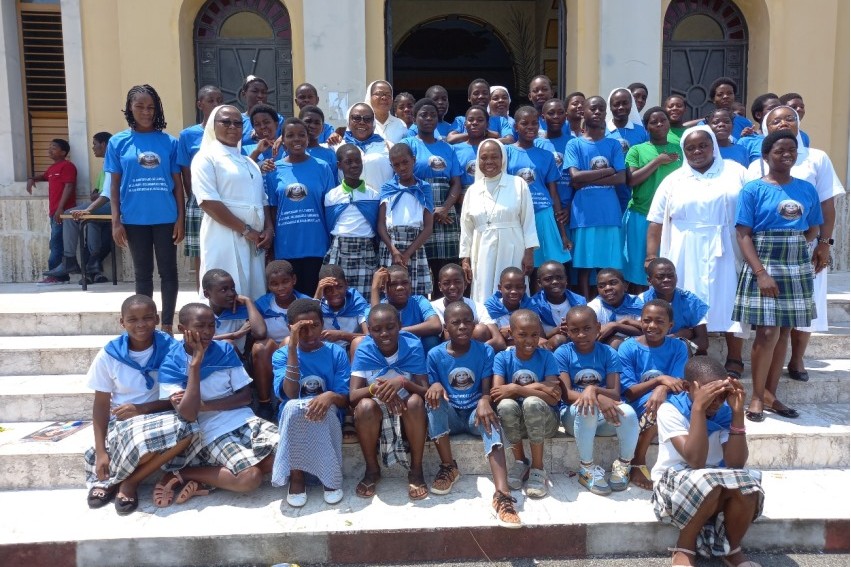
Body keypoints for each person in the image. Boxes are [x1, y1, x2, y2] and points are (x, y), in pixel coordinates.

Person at [749, 105, 844, 386]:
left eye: (789, 118)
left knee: (806, 306)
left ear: (799, 122)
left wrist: (823, 244)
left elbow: (827, 206)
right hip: (770, 251)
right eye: (775, 120)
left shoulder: (817, 157)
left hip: (808, 246)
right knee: (774, 315)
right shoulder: (758, 163)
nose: (783, 123)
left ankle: (797, 357)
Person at [646, 125, 749, 379]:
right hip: (684, 248)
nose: (697, 151)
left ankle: (734, 357)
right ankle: (695, 356)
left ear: (713, 145)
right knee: (689, 302)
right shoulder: (673, 179)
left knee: (729, 299)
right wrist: (651, 257)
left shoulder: (736, 172)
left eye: (703, 145)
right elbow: (656, 221)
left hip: (726, 245)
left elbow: (750, 211)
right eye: (690, 147)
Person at [734, 131, 822, 422]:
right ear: (766, 155)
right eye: (780, 150)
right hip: (764, 259)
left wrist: (796, 245)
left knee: (784, 330)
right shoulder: (753, 190)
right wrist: (760, 272)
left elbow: (814, 227)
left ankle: (771, 395)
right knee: (767, 330)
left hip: (794, 262)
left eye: (792, 150)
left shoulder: (806, 189)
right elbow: (743, 233)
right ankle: (757, 397)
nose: (786, 155)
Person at [84, 295, 197, 515]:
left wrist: (143, 409)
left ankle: (129, 482)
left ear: (156, 319)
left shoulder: (171, 349)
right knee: (139, 441)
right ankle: (115, 477)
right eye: (132, 319)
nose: (141, 324)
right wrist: (100, 452)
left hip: (161, 413)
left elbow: (179, 397)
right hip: (123, 419)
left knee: (189, 430)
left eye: (147, 318)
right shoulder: (109, 355)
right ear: (122, 322)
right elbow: (100, 405)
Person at [157, 303, 279, 505]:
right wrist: (195, 364)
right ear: (182, 329)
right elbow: (188, 414)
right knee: (250, 479)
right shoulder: (172, 363)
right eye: (200, 326)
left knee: (290, 454)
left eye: (212, 325)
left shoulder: (224, 350)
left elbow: (245, 396)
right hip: (211, 430)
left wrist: (205, 405)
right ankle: (185, 473)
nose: (207, 332)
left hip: (242, 418)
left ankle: (207, 479)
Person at [651, 356, 763, 567]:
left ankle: (732, 549)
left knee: (749, 484)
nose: (717, 402)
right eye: (709, 394)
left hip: (712, 483)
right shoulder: (670, 410)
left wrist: (737, 414)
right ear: (687, 387)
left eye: (721, 395)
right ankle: (684, 547)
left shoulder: (724, 412)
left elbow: (736, 463)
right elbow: (695, 460)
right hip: (673, 484)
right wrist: (698, 410)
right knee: (709, 482)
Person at [425, 301, 521, 527]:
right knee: (433, 401)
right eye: (455, 322)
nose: (462, 326)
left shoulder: (485, 350)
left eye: (467, 321)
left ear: (474, 324)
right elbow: (432, 385)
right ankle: (449, 466)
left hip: (473, 414)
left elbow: (486, 390)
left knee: (491, 420)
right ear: (445, 327)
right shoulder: (434, 354)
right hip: (450, 414)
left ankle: (502, 494)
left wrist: (485, 400)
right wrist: (436, 385)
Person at [105, 84, 184, 334]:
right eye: (139, 106)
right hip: (134, 219)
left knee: (169, 272)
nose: (146, 112)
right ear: (130, 108)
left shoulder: (169, 142)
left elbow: (178, 186)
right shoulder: (118, 142)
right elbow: (114, 186)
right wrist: (116, 220)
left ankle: (168, 324)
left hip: (165, 217)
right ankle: (145, 324)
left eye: (151, 107)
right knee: (143, 273)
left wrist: (180, 219)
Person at [271, 298, 350, 507]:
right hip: (293, 414)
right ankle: (297, 476)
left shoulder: (336, 353)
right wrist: (292, 349)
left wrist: (330, 396)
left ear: (323, 325)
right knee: (293, 407)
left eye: (315, 326)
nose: (310, 333)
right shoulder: (281, 355)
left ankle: (329, 476)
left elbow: (344, 399)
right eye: (302, 329)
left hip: (329, 413)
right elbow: (289, 394)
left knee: (322, 409)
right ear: (292, 329)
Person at [555, 305, 639, 495]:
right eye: (574, 330)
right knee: (588, 408)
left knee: (629, 413)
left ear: (598, 327)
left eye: (587, 329)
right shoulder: (562, 353)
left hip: (603, 416)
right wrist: (598, 398)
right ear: (567, 331)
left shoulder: (609, 353)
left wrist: (593, 390)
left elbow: (616, 393)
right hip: (573, 415)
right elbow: (567, 395)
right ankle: (586, 468)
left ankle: (624, 464)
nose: (581, 335)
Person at [192, 104, 273, 300]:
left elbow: (262, 199)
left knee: (253, 290)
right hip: (223, 235)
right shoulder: (206, 158)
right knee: (224, 288)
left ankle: (249, 330)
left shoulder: (249, 162)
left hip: (255, 240)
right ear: (213, 125)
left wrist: (269, 229)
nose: (232, 126)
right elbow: (208, 202)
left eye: (238, 123)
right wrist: (246, 230)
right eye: (226, 122)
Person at [350, 304, 430, 500]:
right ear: (369, 330)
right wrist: (375, 390)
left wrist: (402, 382)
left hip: (406, 410)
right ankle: (372, 469)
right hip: (377, 410)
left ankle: (416, 470)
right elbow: (352, 397)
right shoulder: (365, 349)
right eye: (376, 329)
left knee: (416, 403)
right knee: (364, 406)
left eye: (390, 327)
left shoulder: (412, 345)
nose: (384, 333)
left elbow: (424, 391)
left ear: (400, 325)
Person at [618, 299, 689, 490]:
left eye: (659, 321)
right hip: (638, 402)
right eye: (647, 320)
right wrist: (659, 381)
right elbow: (629, 392)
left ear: (670, 325)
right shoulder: (628, 347)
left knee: (672, 405)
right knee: (660, 407)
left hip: (670, 398)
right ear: (640, 321)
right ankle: (637, 460)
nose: (652, 326)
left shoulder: (678, 347)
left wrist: (663, 388)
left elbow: (678, 383)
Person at [459, 139, 538, 304]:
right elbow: (466, 229)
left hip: (513, 247)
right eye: (484, 157)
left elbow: (528, 221)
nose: (489, 161)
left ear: (502, 159)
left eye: (494, 157)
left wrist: (529, 254)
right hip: (481, 250)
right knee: (483, 290)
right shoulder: (472, 191)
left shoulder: (518, 184)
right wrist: (465, 259)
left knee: (513, 289)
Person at [492, 309, 561, 498]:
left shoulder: (547, 357)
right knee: (505, 405)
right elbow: (498, 394)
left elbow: (554, 396)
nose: (529, 340)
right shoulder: (503, 358)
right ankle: (521, 462)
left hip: (545, 422)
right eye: (522, 335)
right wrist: (540, 386)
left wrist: (516, 389)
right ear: (510, 333)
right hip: (518, 424)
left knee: (531, 402)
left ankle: (538, 468)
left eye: (535, 335)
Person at [564, 96, 627, 299]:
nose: (598, 112)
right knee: (584, 265)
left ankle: (607, 305)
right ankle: (585, 305)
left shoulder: (614, 144)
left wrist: (587, 179)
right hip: (583, 213)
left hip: (609, 212)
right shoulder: (574, 144)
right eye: (593, 108)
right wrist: (607, 171)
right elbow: (575, 176)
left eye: (601, 109)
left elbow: (621, 177)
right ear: (584, 112)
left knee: (607, 265)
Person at [266, 118, 336, 296]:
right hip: (286, 246)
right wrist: (272, 246)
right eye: (290, 135)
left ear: (307, 138)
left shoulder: (323, 167)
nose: (296, 139)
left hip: (317, 246)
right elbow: (272, 209)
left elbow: (329, 207)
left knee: (315, 299)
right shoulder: (274, 170)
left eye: (301, 135)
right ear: (282, 140)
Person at [402, 98, 464, 297]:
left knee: (447, 270)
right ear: (414, 118)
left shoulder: (447, 148)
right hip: (418, 211)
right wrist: (428, 209)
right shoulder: (407, 145)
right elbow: (404, 179)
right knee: (421, 266)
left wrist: (445, 208)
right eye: (423, 115)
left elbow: (456, 182)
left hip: (446, 214)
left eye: (433, 115)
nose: (428, 118)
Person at [622, 107, 682, 289]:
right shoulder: (637, 150)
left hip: (672, 218)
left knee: (667, 269)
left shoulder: (680, 149)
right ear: (646, 127)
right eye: (653, 122)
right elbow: (631, 180)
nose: (659, 124)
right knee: (639, 267)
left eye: (663, 120)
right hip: (641, 215)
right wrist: (657, 161)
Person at [507, 106, 571, 273]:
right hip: (517, 215)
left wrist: (562, 232)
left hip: (543, 214)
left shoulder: (546, 155)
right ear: (515, 127)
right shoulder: (506, 153)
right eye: (524, 123)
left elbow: (553, 193)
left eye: (534, 123)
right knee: (522, 264)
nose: (530, 127)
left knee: (545, 267)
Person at [45, 132, 114, 285]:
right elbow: (100, 190)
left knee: (70, 214)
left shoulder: (114, 161)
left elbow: (108, 193)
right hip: (104, 203)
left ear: (104, 145)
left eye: (95, 144)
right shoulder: (106, 164)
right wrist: (96, 194)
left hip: (113, 204)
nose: (93, 148)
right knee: (90, 222)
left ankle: (69, 259)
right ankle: (93, 264)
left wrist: (91, 205)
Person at [176, 85, 223, 288]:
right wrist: (195, 200)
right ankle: (202, 298)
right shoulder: (188, 135)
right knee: (201, 254)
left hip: (224, 198)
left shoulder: (229, 131)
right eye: (211, 100)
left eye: (219, 100)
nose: (216, 105)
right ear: (199, 104)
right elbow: (186, 173)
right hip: (199, 200)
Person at [251, 260, 310, 416]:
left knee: (289, 341)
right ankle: (265, 403)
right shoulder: (263, 304)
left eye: (285, 282)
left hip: (299, 350)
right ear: (268, 285)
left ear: (294, 280)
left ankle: (288, 398)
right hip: (271, 353)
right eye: (274, 284)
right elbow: (258, 333)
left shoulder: (304, 302)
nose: (281, 288)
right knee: (260, 346)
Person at [377, 143, 434, 296]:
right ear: (391, 166)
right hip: (391, 245)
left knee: (414, 291)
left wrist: (408, 253)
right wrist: (393, 250)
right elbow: (381, 224)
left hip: (415, 245)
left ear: (413, 160)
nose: (402, 167)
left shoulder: (424, 188)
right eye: (396, 165)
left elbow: (428, 227)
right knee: (390, 290)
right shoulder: (387, 188)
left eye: (405, 162)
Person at [323, 144, 380, 297]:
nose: (354, 165)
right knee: (338, 295)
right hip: (339, 248)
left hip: (365, 248)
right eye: (349, 162)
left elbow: (376, 225)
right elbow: (329, 225)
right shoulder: (332, 196)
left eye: (358, 161)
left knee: (366, 295)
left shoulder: (373, 195)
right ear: (339, 165)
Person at [28, 138, 77, 285]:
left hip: (62, 212)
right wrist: (31, 178)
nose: (50, 150)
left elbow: (69, 186)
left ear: (63, 152)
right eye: (49, 147)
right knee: (57, 243)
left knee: (56, 243)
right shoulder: (52, 168)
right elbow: (43, 176)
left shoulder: (67, 166)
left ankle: (56, 276)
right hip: (54, 212)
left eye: (54, 147)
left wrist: (61, 209)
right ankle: (61, 276)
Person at [430, 263, 505, 352]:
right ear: (439, 286)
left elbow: (499, 342)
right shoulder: (432, 308)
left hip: (474, 356)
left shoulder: (477, 307)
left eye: (457, 282)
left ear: (465, 284)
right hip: (446, 355)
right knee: (443, 335)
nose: (452, 287)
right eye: (446, 283)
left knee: (481, 329)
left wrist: (470, 352)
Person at [641, 257, 710, 354]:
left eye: (670, 276)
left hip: (679, 351)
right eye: (660, 277)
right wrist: (682, 334)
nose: (666, 280)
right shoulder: (641, 301)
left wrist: (675, 341)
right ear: (649, 280)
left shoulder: (691, 301)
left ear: (676, 277)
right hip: (651, 350)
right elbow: (640, 335)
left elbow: (703, 342)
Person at [371, 265, 442, 353]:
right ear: (384, 288)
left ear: (410, 285)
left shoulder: (419, 301)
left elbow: (435, 325)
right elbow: (375, 327)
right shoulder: (381, 306)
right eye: (393, 284)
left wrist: (396, 331)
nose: (400, 287)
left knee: (431, 340)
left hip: (415, 351)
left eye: (404, 283)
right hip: (388, 352)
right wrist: (374, 288)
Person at [201, 268, 267, 359]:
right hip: (208, 361)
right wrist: (234, 335)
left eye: (233, 288)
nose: (231, 293)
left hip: (238, 360)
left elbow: (261, 333)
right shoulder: (199, 311)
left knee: (265, 345)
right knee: (228, 344)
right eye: (224, 290)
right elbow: (197, 340)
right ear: (207, 294)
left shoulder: (240, 310)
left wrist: (248, 302)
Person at [336, 102, 395, 204]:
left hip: (384, 207)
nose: (362, 122)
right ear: (348, 121)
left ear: (373, 122)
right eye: (356, 118)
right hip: (350, 210)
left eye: (367, 119)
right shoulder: (337, 146)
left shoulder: (388, 146)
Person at [528, 260, 586, 350]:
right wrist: (557, 330)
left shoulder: (579, 302)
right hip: (548, 347)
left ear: (566, 280)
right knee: (558, 339)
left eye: (559, 277)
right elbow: (539, 338)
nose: (555, 282)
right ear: (539, 283)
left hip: (576, 343)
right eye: (548, 279)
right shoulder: (533, 304)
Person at [315, 264, 369, 354]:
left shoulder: (356, 302)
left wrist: (342, 335)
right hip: (325, 351)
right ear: (322, 290)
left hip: (350, 350)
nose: (335, 293)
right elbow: (308, 322)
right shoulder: (318, 304)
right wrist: (317, 296)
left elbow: (369, 337)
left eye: (339, 287)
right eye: (328, 289)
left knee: (359, 342)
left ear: (346, 284)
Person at [588, 268, 644, 349]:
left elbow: (646, 330)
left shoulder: (636, 303)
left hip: (635, 346)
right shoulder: (593, 307)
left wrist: (615, 326)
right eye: (601, 286)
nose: (607, 288)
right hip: (604, 348)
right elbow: (593, 335)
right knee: (615, 342)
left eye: (613, 283)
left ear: (625, 286)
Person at [447, 78, 514, 145]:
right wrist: (479, 134)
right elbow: (450, 138)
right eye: (476, 93)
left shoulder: (500, 120)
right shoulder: (460, 120)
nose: (481, 96)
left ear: (490, 97)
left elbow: (510, 140)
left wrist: (484, 137)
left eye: (485, 93)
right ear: (469, 98)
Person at [535, 98, 576, 210]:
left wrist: (570, 207)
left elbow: (579, 179)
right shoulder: (536, 144)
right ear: (543, 117)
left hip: (570, 208)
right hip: (544, 208)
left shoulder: (574, 142)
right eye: (551, 113)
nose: (556, 116)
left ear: (566, 116)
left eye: (560, 113)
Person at [484, 266, 534, 347]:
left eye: (519, 287)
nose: (514, 291)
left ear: (524, 288)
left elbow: (538, 334)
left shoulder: (530, 305)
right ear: (500, 288)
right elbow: (488, 334)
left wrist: (514, 329)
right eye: (508, 287)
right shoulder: (491, 306)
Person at [734, 94, 781, 164]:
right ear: (758, 115)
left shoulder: (789, 139)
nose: (778, 112)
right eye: (772, 108)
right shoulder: (746, 141)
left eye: (779, 108)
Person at [452, 105, 490, 192]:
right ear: (465, 124)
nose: (475, 123)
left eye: (480, 120)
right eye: (470, 120)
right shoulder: (454, 149)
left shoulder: (494, 148)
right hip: (461, 199)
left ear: (487, 124)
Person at [239, 75, 283, 146]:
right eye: (255, 91)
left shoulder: (278, 119)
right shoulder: (238, 120)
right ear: (244, 94)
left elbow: (288, 137)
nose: (260, 96)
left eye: (264, 92)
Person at [300, 106, 339, 176]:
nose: (312, 125)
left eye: (317, 123)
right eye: (308, 121)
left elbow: (334, 183)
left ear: (323, 128)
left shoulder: (330, 155)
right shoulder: (291, 152)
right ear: (299, 124)